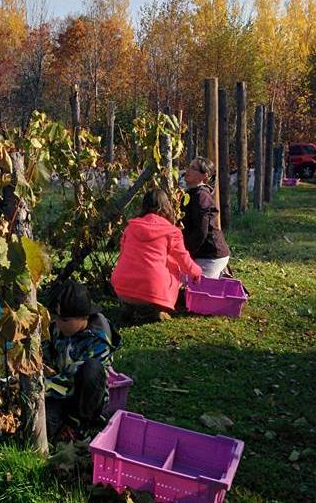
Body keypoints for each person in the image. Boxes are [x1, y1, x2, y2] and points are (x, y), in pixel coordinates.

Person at [111, 188, 202, 321]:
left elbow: (123, 252)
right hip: (152, 292)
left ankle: (130, 307)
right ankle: (156, 309)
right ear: (166, 206)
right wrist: (196, 272)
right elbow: (183, 260)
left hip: (121, 288)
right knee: (172, 264)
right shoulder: (171, 232)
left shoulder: (130, 227)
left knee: (135, 260)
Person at [44, 280, 118, 440]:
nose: (57, 323)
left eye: (64, 320)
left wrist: (43, 385)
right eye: (56, 317)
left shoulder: (99, 340)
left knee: (91, 369)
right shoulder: (58, 328)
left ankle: (80, 424)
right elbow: (46, 348)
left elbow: (72, 377)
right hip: (57, 391)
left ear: (84, 317)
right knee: (46, 427)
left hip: (83, 397)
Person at [182, 157, 231, 278]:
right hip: (203, 254)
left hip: (210, 255)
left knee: (194, 289)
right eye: (189, 167)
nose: (188, 171)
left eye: (193, 168)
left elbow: (201, 231)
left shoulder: (201, 196)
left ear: (205, 176)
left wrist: (186, 254)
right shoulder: (191, 193)